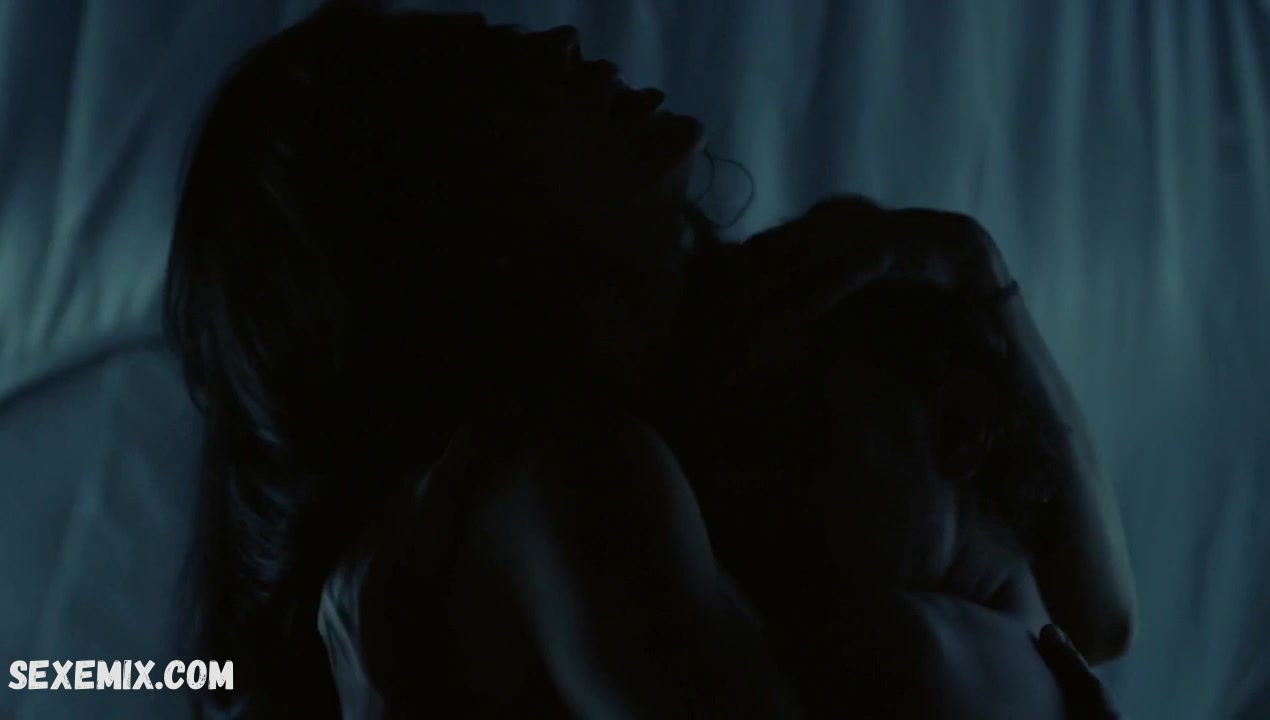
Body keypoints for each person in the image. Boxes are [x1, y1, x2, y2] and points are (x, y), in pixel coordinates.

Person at [162, 3, 1126, 718]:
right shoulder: (565, 476)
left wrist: (974, 264)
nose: (560, 43)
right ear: (448, 216)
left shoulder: (729, 383)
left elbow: (1098, 616)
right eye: (499, 77)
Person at [667, 197, 1136, 716]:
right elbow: (1108, 623)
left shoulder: (898, 652)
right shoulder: (1044, 650)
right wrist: (984, 275)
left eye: (807, 434)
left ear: (962, 430)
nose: (762, 489)